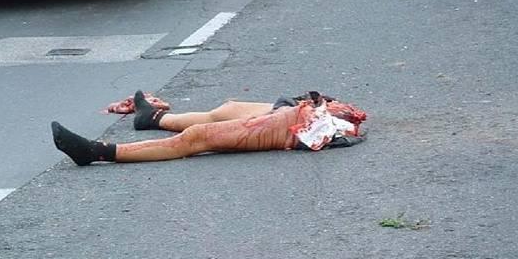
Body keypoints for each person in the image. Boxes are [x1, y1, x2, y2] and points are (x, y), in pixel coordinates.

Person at [51, 91, 367, 166]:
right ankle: (151, 119)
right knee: (226, 109)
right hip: (306, 113)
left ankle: (97, 152)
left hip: (301, 128)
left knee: (197, 138)